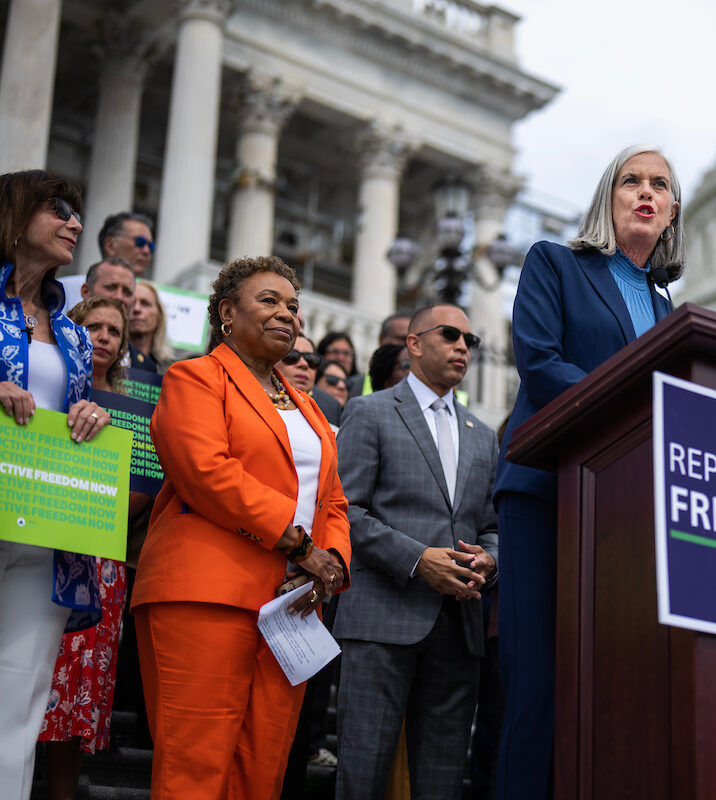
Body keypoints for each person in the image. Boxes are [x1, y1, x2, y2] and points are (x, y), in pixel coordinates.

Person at [492, 144, 682, 799]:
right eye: (632, 180)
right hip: (547, 492)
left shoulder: (668, 310)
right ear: (609, 198)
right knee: (537, 683)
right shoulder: (557, 263)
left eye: (660, 184)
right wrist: (630, 412)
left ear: (672, 213)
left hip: (622, 514)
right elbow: (539, 361)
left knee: (608, 687)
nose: (646, 192)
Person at [130, 254, 352, 799]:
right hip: (206, 592)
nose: (287, 314)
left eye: (294, 306)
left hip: (290, 606)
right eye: (269, 301)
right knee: (196, 769)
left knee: (263, 772)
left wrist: (332, 563)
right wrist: (301, 545)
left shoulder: (310, 407)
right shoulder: (195, 377)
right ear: (227, 313)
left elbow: (334, 501)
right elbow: (207, 473)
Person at [334, 304, 499, 800]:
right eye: (451, 335)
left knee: (442, 784)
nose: (463, 348)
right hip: (382, 619)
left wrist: (491, 562)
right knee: (361, 777)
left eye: (471, 341)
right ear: (414, 343)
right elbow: (347, 511)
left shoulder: (483, 435)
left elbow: (491, 529)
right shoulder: (369, 411)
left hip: (458, 629)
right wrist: (417, 559)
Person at [0, 169, 111, 800]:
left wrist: (89, 416)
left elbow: (73, 419)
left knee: (21, 697)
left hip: (46, 532)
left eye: (75, 212)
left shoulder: (72, 333)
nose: (73, 223)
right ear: (15, 219)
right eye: (57, 209)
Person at [38, 297, 138, 800]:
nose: (103, 336)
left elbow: (139, 486)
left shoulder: (133, 413)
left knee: (78, 693)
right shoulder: (49, 388)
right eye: (92, 326)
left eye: (113, 331)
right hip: (40, 543)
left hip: (101, 557)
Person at [347, 312, 409, 397]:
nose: (408, 345)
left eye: (413, 340)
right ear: (381, 339)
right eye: (401, 339)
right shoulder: (351, 387)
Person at [128, 281, 172, 372]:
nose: (137, 309)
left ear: (159, 317)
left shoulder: (171, 369)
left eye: (145, 303)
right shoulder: (109, 362)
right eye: (131, 303)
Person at [98, 211, 155, 278]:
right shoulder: (83, 285)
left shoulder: (150, 288)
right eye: (140, 242)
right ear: (110, 245)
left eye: (151, 246)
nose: (147, 251)